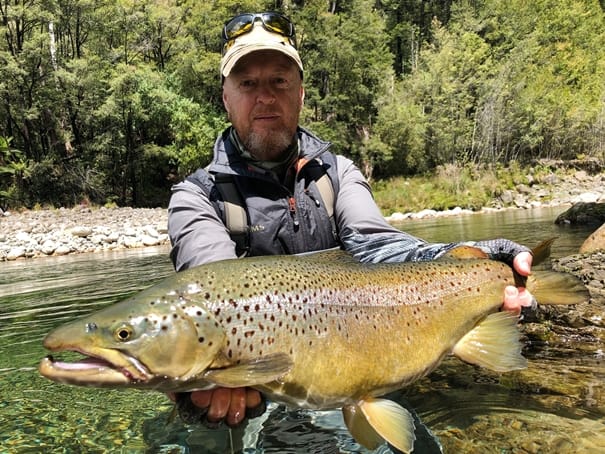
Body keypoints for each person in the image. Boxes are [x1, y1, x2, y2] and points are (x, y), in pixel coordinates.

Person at [167, 10, 534, 439]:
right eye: (247, 83)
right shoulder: (195, 197)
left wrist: (471, 261)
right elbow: (210, 291)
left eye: (279, 81)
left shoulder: (338, 174)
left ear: (301, 94)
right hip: (255, 392)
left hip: (349, 377)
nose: (264, 96)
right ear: (226, 97)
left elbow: (380, 247)